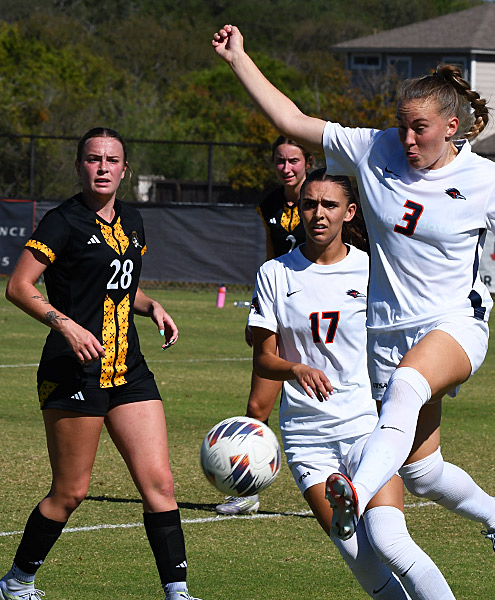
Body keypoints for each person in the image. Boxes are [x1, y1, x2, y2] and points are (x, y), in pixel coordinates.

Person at [213, 24, 495, 582]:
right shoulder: (376, 149)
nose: (408, 139)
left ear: (452, 127)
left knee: (410, 388)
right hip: (387, 336)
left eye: (421, 129)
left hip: (456, 324)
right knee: (421, 472)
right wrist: (239, 60)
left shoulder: (485, 180)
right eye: (402, 127)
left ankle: (355, 492)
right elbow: (293, 122)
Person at [2, 127, 201, 600]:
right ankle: (17, 581)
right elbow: (18, 286)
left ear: (125, 169)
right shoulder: (62, 221)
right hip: (73, 370)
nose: (103, 167)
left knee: (160, 484)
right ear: (79, 166)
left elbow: (120, 288)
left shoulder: (132, 220)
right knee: (71, 492)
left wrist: (152, 307)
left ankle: (177, 592)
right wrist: (65, 325)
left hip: (128, 369)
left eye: (112, 160)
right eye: (94, 159)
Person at [247, 167, 455, 599]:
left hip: (366, 428)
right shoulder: (275, 274)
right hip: (307, 438)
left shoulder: (373, 270)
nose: (317, 214)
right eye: (309, 204)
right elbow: (265, 360)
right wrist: (296, 369)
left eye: (329, 205)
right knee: (362, 561)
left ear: (350, 211)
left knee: (391, 542)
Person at [216, 136, 314, 516]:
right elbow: (271, 258)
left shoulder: (323, 196)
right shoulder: (268, 204)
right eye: (280, 161)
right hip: (279, 308)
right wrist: (256, 313)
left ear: (308, 161)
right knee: (257, 404)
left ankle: (355, 487)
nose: (286, 168)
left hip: (322, 311)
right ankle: (246, 488)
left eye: (294, 160)